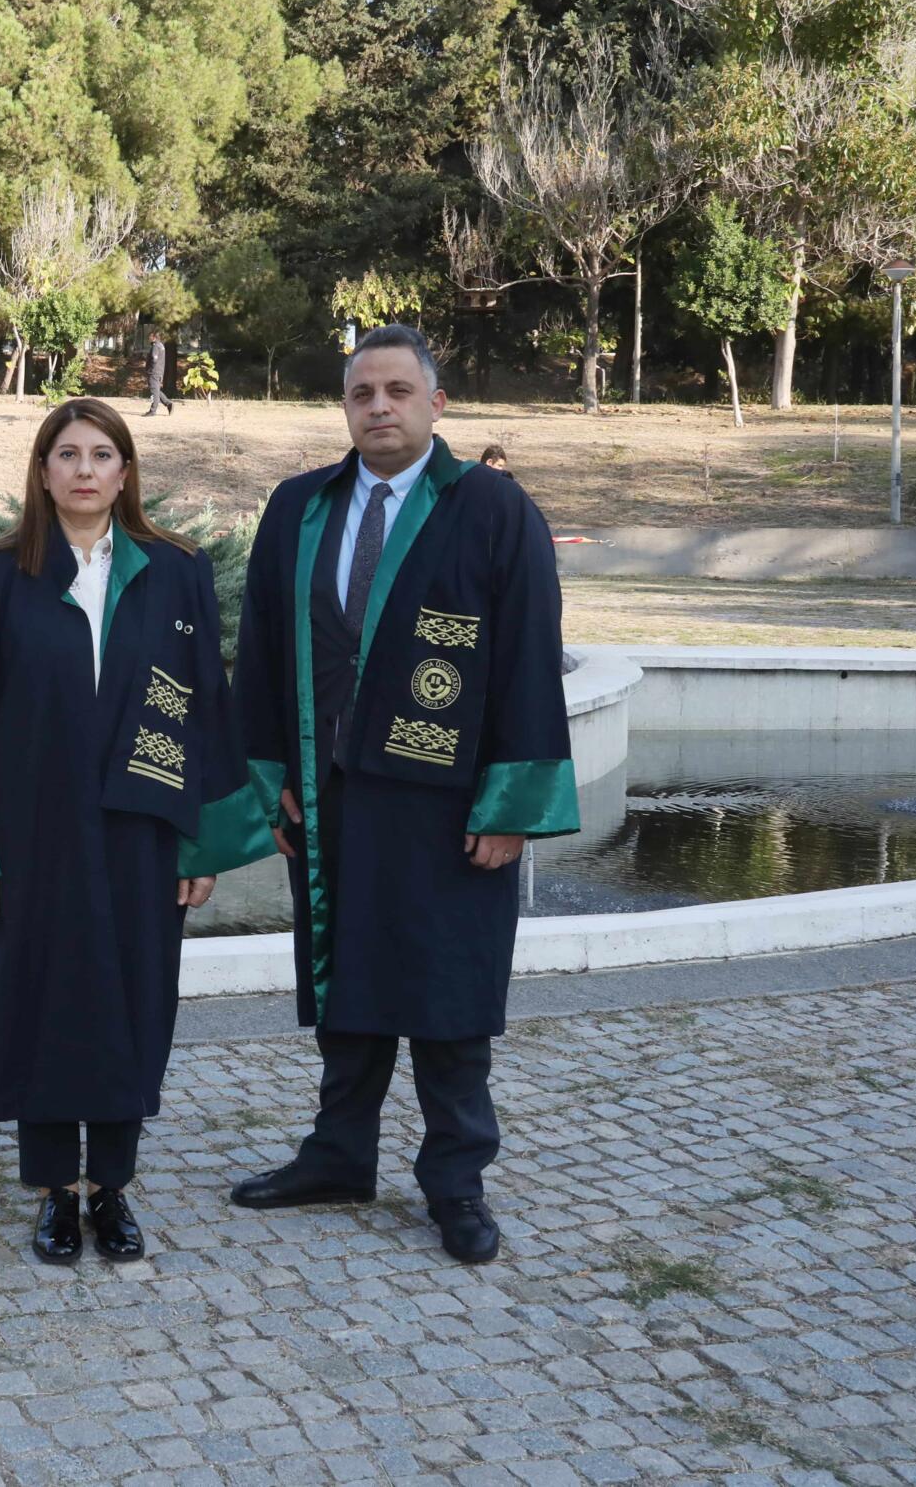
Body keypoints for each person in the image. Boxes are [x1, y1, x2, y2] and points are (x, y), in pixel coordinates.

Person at [228, 324, 576, 1265]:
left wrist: (509, 808)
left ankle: (455, 1180)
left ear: (436, 403)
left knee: (450, 997)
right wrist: (275, 786)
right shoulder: (299, 508)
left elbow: (529, 667)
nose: (378, 406)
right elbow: (260, 653)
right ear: (345, 406)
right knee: (345, 987)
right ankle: (339, 1153)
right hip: (332, 800)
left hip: (448, 807)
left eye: (396, 391)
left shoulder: (495, 511)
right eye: (361, 393)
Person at [0, 396, 273, 1265]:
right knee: (38, 1003)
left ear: (125, 472)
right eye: (67, 453)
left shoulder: (175, 571)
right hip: (30, 834)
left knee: (129, 1001)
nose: (84, 469)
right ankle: (51, 1190)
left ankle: (111, 1187)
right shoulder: (3, 572)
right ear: (42, 471)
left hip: (139, 835)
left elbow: (202, 712)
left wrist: (201, 843)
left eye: (102, 453)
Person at [143, 334, 175, 417]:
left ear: (154, 337)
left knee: (154, 391)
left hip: (154, 372)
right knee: (156, 390)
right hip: (159, 372)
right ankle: (169, 404)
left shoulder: (156, 346)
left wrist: (150, 369)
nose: (148, 338)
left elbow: (154, 359)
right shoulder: (161, 345)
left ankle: (153, 411)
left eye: (150, 336)